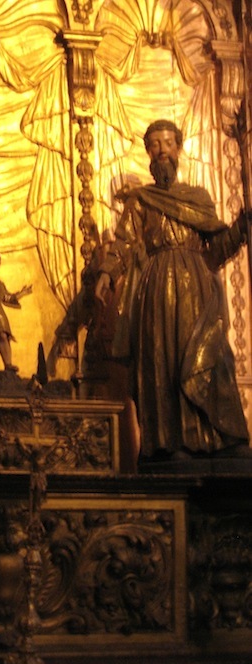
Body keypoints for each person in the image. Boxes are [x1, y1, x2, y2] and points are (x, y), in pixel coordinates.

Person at [95, 119, 250, 462]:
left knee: (212, 355)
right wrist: (107, 271)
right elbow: (123, 243)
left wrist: (241, 227)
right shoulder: (141, 200)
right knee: (164, 360)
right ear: (148, 152)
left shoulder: (199, 198)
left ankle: (224, 436)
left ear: (178, 148)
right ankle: (171, 442)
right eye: (155, 144)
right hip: (158, 288)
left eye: (167, 143)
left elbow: (216, 251)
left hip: (198, 285)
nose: (162, 150)